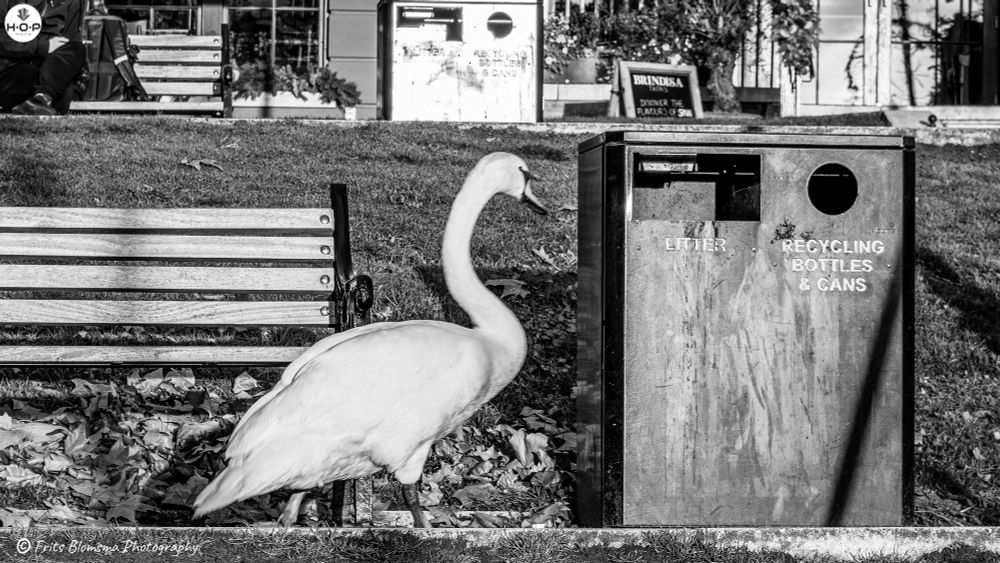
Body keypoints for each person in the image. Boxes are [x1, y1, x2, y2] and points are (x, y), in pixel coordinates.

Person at [1, 0, 86, 115]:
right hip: (11, 69)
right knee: (61, 93)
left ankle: (42, 97)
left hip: (47, 71)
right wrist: (43, 46)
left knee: (76, 48)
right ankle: (43, 98)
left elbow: (68, 45)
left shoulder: (72, 3)